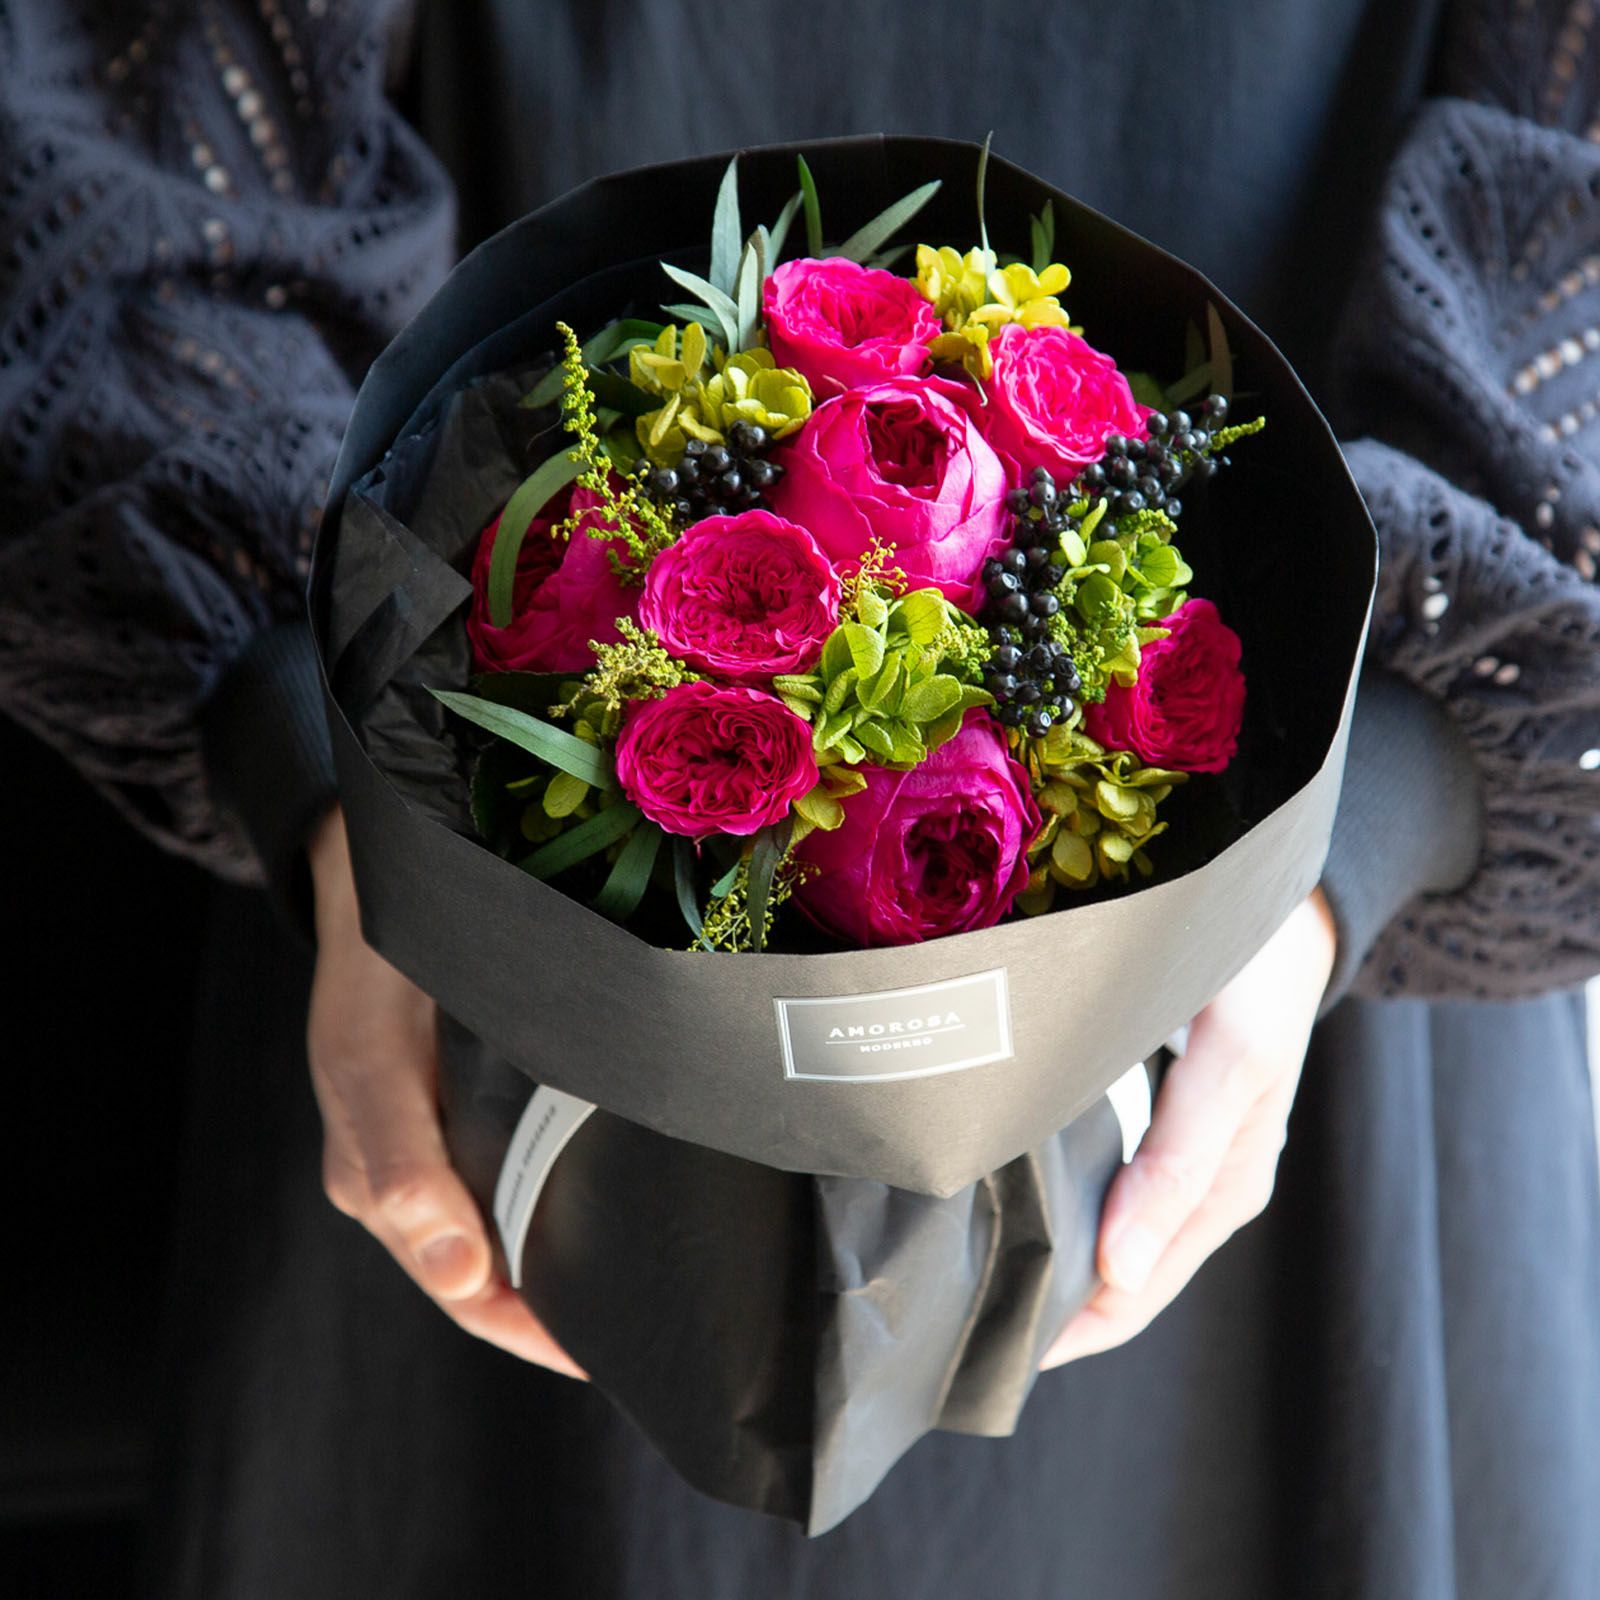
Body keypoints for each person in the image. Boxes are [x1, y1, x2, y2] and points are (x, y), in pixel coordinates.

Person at [3, 1, 1599, 1594]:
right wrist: (332, 787)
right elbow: (151, 122)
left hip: (1283, 989)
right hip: (448, 950)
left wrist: (1361, 818)